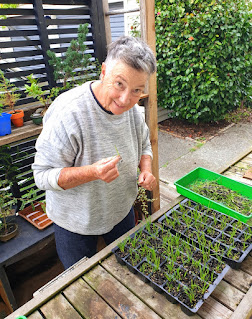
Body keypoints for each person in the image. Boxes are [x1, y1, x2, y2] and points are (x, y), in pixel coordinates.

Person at [32, 36, 157, 269]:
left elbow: (144, 145)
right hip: (75, 223)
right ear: (103, 71)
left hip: (121, 212)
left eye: (137, 90)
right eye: (119, 84)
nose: (125, 99)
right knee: (81, 284)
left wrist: (146, 169)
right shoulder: (68, 112)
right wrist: (92, 172)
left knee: (130, 269)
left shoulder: (133, 109)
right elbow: (42, 175)